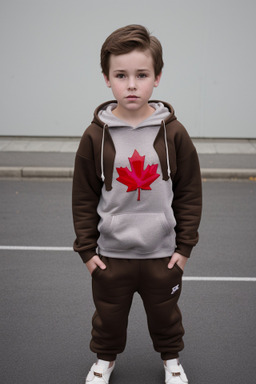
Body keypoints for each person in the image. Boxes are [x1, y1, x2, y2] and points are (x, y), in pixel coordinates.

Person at [72, 24, 202, 384]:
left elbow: (190, 190)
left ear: (157, 78)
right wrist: (86, 250)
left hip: (162, 252)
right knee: (108, 316)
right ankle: (105, 360)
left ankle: (171, 360)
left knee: (166, 315)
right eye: (121, 75)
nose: (131, 84)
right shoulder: (95, 136)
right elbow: (83, 196)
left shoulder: (173, 133)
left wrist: (185, 246)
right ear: (106, 79)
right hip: (111, 254)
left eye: (141, 75)